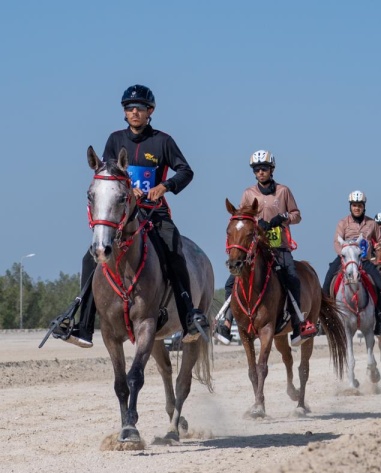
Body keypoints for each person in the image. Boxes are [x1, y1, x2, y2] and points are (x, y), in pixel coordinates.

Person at [52, 84, 207, 347]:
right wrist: (125, 185)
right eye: (129, 108)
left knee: (173, 249)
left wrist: (165, 186)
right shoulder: (115, 140)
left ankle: (188, 316)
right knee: (91, 257)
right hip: (122, 216)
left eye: (140, 108)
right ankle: (83, 325)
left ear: (151, 111)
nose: (134, 112)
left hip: (153, 213)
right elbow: (109, 172)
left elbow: (186, 171)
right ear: (124, 112)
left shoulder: (163, 141)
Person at [214, 150, 317, 347]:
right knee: (231, 281)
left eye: (264, 169)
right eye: (257, 169)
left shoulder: (283, 191)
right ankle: (226, 323)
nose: (261, 172)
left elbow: (297, 215)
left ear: (272, 169)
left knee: (292, 277)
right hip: (255, 248)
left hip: (279, 246)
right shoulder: (248, 194)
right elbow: (242, 218)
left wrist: (283, 218)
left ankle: (298, 325)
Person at [322, 191, 381, 336]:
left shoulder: (372, 224)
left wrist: (380, 245)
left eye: (359, 205)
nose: (357, 208)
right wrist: (344, 253)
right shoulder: (342, 223)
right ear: (350, 206)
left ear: (364, 206)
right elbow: (336, 241)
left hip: (364, 260)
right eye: (354, 205)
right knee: (327, 282)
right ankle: (325, 320)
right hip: (346, 260)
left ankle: (380, 322)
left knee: (380, 285)